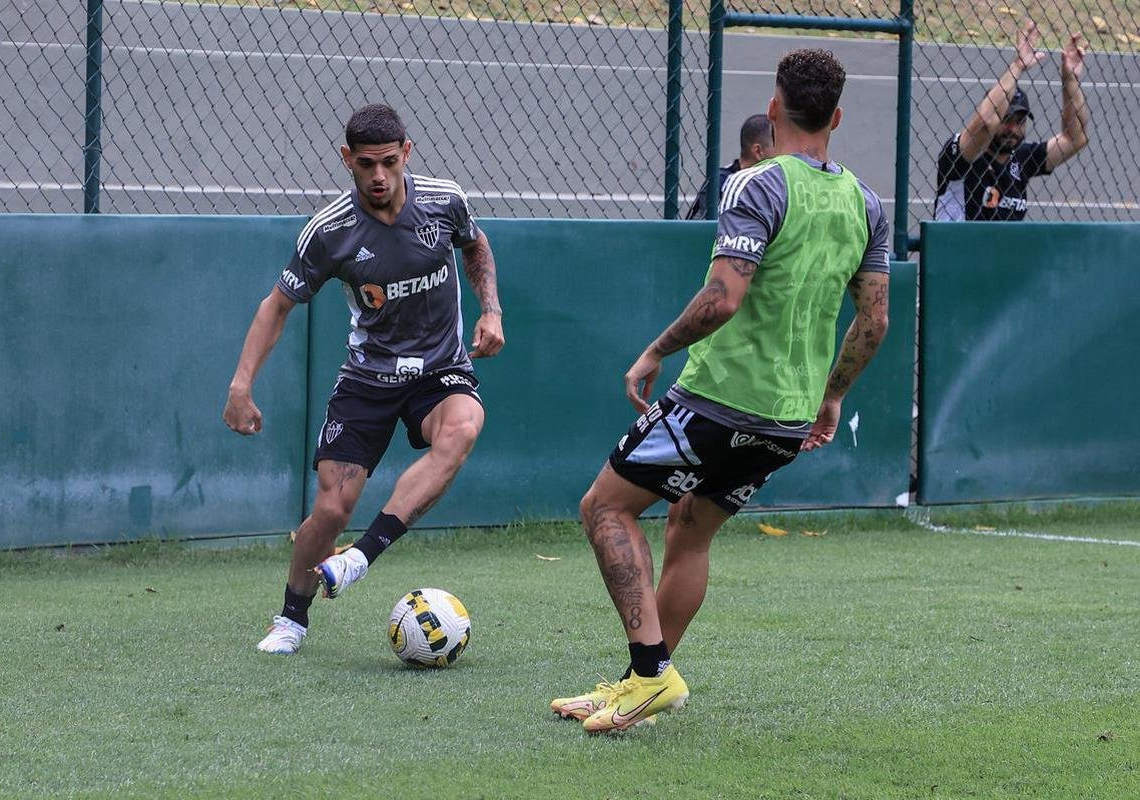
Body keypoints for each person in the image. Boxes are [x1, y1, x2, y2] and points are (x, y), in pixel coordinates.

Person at [551, 49, 891, 732]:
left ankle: (651, 675)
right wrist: (832, 395)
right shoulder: (866, 204)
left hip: (717, 400)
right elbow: (874, 320)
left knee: (605, 509)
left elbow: (722, 299)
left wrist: (654, 350)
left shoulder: (757, 185)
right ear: (838, 116)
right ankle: (635, 689)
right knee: (689, 530)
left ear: (774, 108)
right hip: (787, 418)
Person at [223, 104, 504, 655]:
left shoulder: (444, 201)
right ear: (347, 160)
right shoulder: (329, 233)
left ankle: (361, 557)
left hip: (439, 369)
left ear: (407, 153)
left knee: (465, 426)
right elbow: (277, 306)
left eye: (389, 162)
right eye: (366, 165)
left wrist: (490, 309)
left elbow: (476, 244)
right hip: (368, 377)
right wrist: (240, 386)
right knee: (330, 510)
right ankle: (292, 619)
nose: (379, 176)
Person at [935, 20, 1089, 221]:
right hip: (958, 250)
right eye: (1007, 119)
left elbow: (1075, 138)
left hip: (1004, 252)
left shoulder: (1021, 159)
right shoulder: (964, 155)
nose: (1013, 128)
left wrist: (1070, 81)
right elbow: (985, 123)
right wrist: (1018, 66)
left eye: (1020, 121)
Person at [686, 114, 773, 220]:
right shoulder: (720, 184)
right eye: (778, 145)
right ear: (758, 151)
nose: (785, 153)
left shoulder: (775, 183)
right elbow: (701, 230)